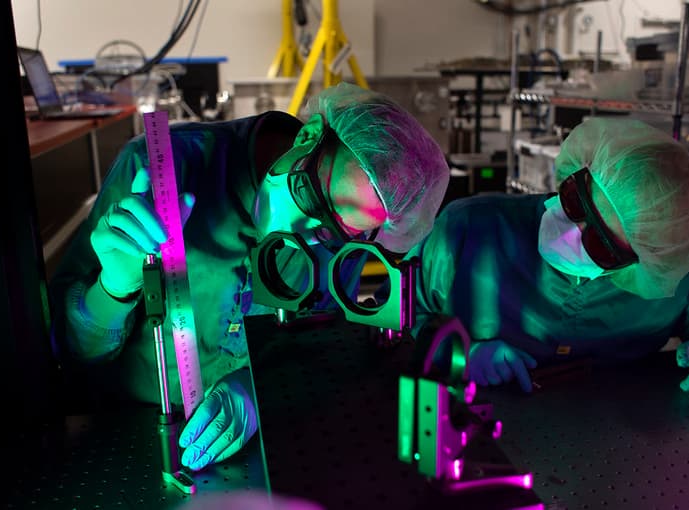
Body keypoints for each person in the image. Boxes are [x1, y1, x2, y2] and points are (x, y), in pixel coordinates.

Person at [49, 82, 450, 471]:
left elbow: (360, 349)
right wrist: (114, 289)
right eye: (311, 198)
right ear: (308, 136)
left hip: (265, 451)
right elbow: (70, 355)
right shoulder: (162, 170)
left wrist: (263, 389)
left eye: (332, 232)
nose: (302, 236)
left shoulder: (361, 250)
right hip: (125, 441)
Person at [405, 117, 689, 398]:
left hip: (610, 448)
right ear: (578, 172)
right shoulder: (467, 231)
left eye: (601, 243)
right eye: (576, 201)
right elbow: (395, 321)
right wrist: (459, 355)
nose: (569, 230)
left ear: (644, 265)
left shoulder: (673, 280)